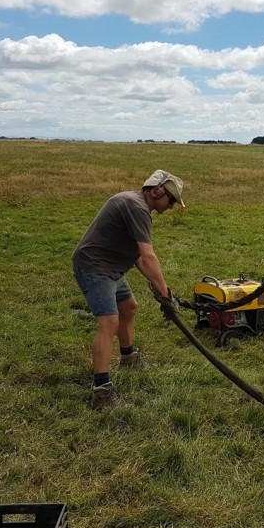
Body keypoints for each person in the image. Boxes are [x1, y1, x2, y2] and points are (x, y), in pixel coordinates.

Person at [72, 170, 184, 409]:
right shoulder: (136, 207)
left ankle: (129, 358)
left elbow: (140, 260)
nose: (171, 206)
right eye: (171, 200)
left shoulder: (134, 204)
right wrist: (164, 292)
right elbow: (148, 256)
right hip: (95, 267)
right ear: (156, 191)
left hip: (111, 268)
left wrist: (161, 289)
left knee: (129, 308)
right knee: (109, 322)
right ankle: (102, 393)